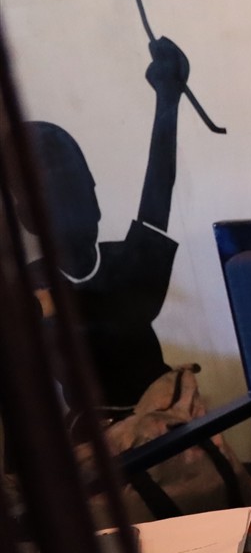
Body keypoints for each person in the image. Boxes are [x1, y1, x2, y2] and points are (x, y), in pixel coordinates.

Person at [27, 38, 193, 409]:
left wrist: (168, 97)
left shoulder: (124, 263)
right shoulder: (31, 286)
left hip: (167, 418)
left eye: (79, 188)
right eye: (57, 198)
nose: (77, 208)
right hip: (99, 430)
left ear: (94, 189)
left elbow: (158, 192)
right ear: (29, 218)